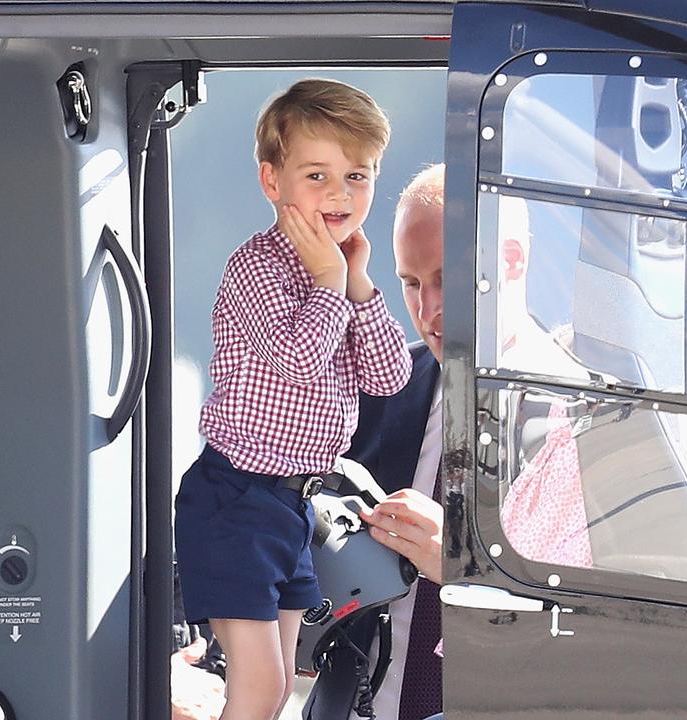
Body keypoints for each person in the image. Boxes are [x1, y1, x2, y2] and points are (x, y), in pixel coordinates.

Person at [173, 78, 412, 720]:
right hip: (234, 499)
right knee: (254, 687)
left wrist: (357, 282)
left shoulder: (342, 273)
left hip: (292, 506)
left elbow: (389, 376)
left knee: (277, 689)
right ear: (271, 182)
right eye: (317, 174)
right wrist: (332, 281)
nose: (339, 194)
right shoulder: (257, 267)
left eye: (357, 177)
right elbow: (301, 362)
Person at [303, 162, 448, 720]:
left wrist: (466, 563)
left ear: (509, 262)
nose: (428, 310)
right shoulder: (372, 386)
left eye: (444, 279)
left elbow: (599, 620)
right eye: (411, 283)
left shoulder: (582, 419)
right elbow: (249, 496)